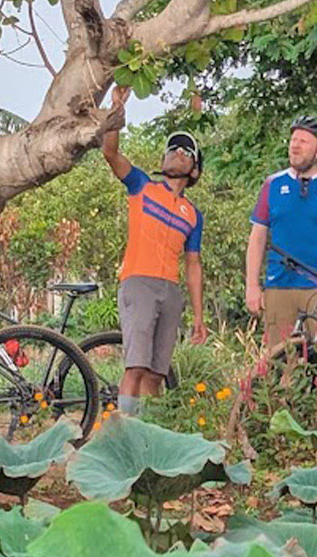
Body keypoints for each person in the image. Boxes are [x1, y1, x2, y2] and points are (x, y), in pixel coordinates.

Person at [101, 84, 208, 416]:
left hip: (171, 290)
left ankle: (151, 436)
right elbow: (111, 154)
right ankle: (124, 434)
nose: (177, 152)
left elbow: (193, 265)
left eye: (185, 151)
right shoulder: (143, 186)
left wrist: (200, 316)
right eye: (172, 148)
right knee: (135, 366)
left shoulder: (193, 215)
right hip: (139, 282)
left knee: (157, 373)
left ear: (195, 170)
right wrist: (115, 115)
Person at [245, 116, 317, 401]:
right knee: (281, 363)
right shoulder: (272, 184)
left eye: (303, 141)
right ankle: (287, 431)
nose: (295, 146)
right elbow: (257, 237)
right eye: (293, 140)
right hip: (279, 286)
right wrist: (252, 285)